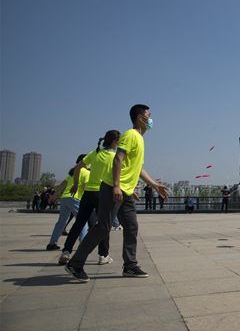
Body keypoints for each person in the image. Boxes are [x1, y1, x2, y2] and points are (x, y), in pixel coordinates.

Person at [65, 104, 169, 282]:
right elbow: (118, 159)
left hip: (127, 192)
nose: (151, 119)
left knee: (131, 226)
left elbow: (138, 168)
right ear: (140, 117)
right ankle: (75, 263)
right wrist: (115, 186)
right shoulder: (130, 135)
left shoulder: (140, 139)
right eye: (148, 115)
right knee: (103, 227)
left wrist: (154, 184)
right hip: (114, 188)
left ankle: (130, 265)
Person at [58, 130, 120, 265]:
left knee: (79, 223)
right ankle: (103, 255)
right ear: (115, 142)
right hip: (102, 194)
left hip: (88, 193)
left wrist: (75, 185)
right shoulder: (116, 157)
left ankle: (66, 251)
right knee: (104, 225)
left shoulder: (95, 153)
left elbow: (77, 167)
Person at [46, 155, 90, 251]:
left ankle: (52, 243)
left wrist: (54, 196)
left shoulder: (73, 172)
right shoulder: (86, 173)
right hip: (76, 198)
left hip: (65, 198)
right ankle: (82, 243)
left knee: (62, 221)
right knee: (82, 221)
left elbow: (62, 184)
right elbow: (84, 187)